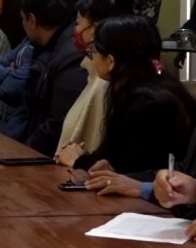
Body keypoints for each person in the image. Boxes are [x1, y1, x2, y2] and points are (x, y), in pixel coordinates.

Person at [55, 16, 196, 176]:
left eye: (93, 52)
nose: (91, 58)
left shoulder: (147, 104)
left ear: (111, 61)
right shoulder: (159, 84)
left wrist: (78, 160)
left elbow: (123, 170)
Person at [21, 0, 87, 156]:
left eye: (23, 19)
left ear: (32, 20)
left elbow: (58, 123)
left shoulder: (71, 54)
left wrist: (24, 152)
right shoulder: (53, 44)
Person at [57, 0, 116, 149]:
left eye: (78, 23)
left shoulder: (103, 81)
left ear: (94, 29)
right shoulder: (94, 74)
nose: (75, 30)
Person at [0, 38, 33, 141]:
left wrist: (9, 71)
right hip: (2, 117)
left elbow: (8, 88)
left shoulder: (40, 50)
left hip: (19, 128)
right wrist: (13, 72)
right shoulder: (27, 40)